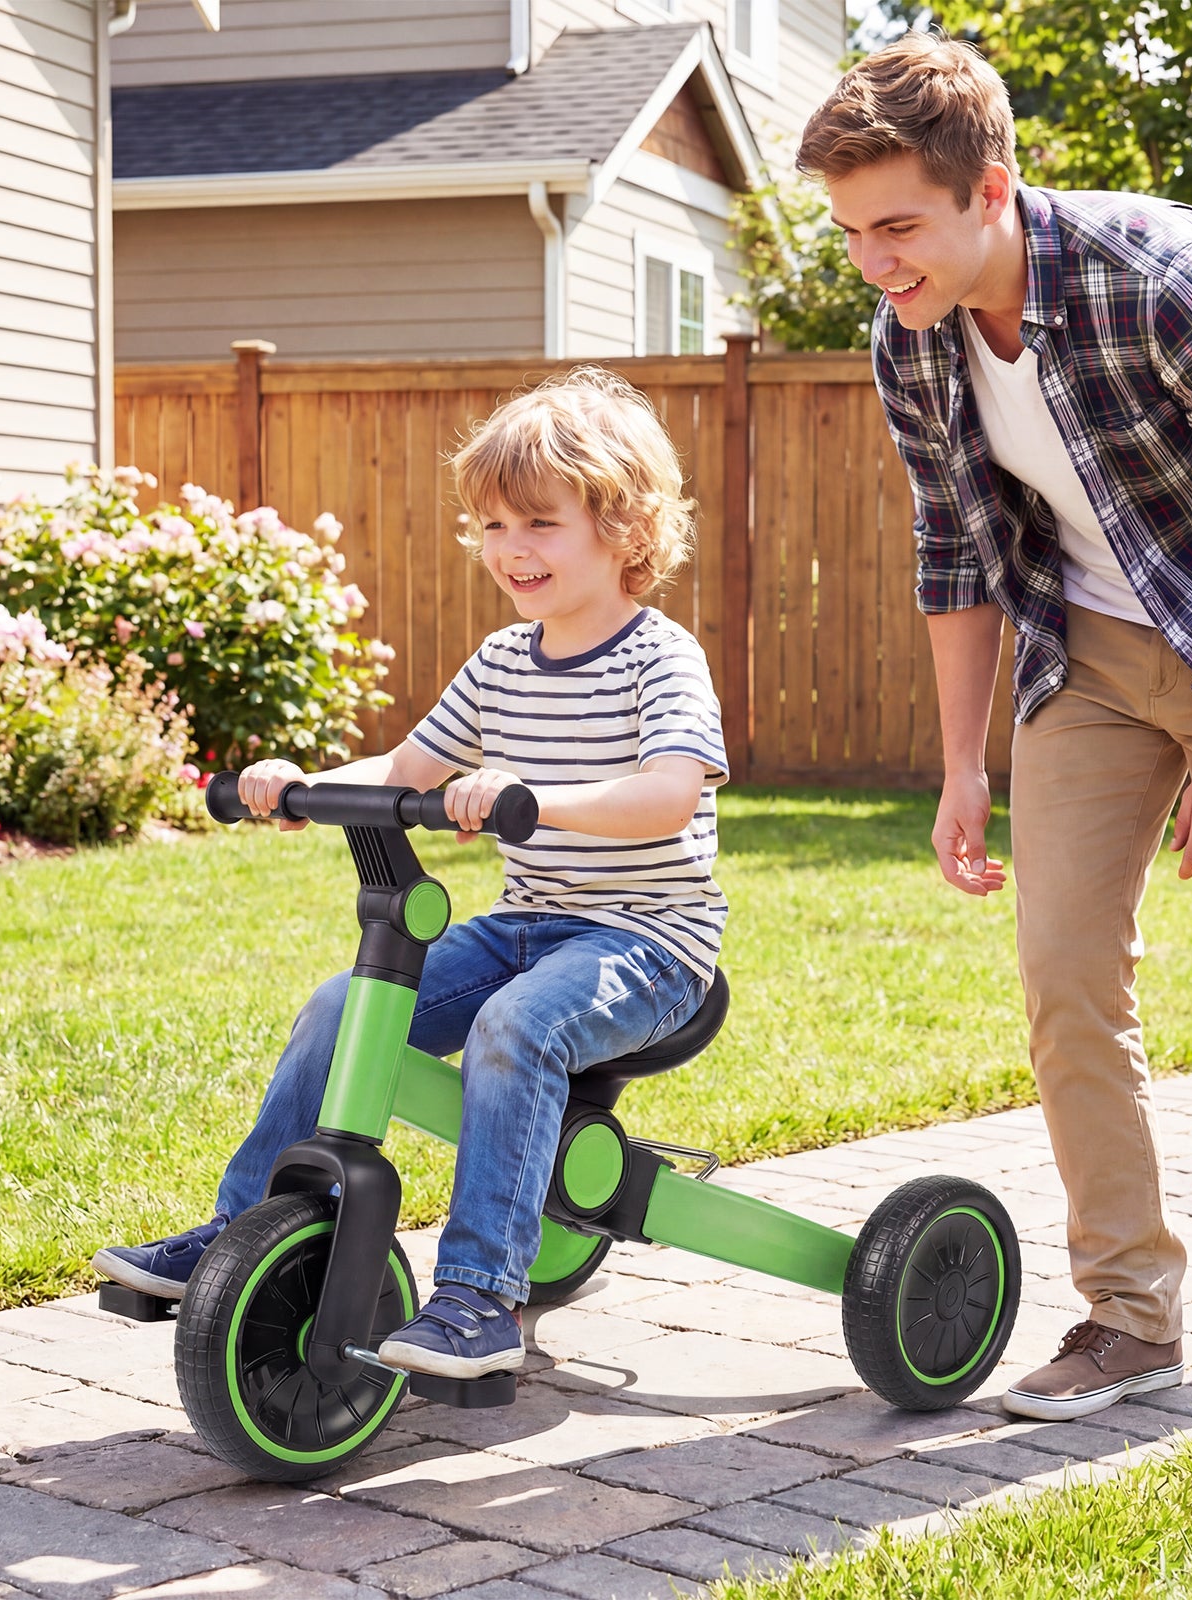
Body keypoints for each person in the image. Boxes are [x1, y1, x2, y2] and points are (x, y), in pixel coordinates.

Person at [796, 34, 1192, 1420]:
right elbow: (955, 547)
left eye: (900, 228)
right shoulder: (912, 336)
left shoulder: (1161, 281)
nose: (878, 265)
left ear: (988, 190)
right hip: (1094, 661)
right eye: (851, 237)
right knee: (1064, 974)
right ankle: (1129, 1315)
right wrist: (958, 764)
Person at [94, 368, 728, 1379]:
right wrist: (297, 780)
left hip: (648, 943)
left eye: (539, 523)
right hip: (529, 926)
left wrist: (531, 792)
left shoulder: (660, 658)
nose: (510, 549)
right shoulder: (498, 661)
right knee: (344, 1005)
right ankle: (239, 1229)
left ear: (625, 526)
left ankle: (479, 1298)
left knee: (513, 1026)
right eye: (490, 526)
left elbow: (665, 795)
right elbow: (402, 773)